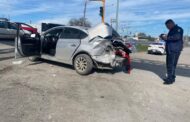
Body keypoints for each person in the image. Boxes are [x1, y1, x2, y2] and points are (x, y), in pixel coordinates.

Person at [160, 19, 184, 85]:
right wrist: (163, 37)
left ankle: (169, 79)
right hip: (172, 50)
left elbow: (177, 37)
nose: (167, 28)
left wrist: (166, 38)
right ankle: (172, 77)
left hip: (173, 50)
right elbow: (170, 39)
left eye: (167, 26)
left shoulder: (178, 29)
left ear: (171, 23)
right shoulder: (172, 30)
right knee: (173, 65)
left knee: (170, 65)